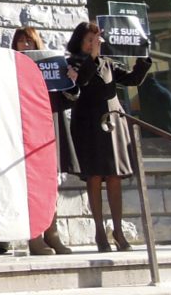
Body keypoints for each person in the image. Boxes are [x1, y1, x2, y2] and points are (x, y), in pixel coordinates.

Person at [67, 22, 152, 252]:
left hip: (112, 123)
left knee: (114, 176)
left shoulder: (108, 63)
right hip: (88, 124)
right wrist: (92, 56)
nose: (94, 43)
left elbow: (132, 80)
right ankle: (98, 232)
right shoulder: (73, 61)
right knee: (94, 177)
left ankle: (118, 230)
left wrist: (143, 56)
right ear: (80, 42)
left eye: (97, 40)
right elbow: (81, 82)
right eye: (89, 40)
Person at [12, 26, 76, 255]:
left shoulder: (49, 66)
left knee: (51, 185)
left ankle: (52, 234)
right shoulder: (11, 69)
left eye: (29, 41)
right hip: (25, 133)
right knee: (31, 186)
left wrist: (71, 82)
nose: (25, 45)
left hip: (49, 130)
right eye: (21, 42)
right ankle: (35, 237)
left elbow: (67, 100)